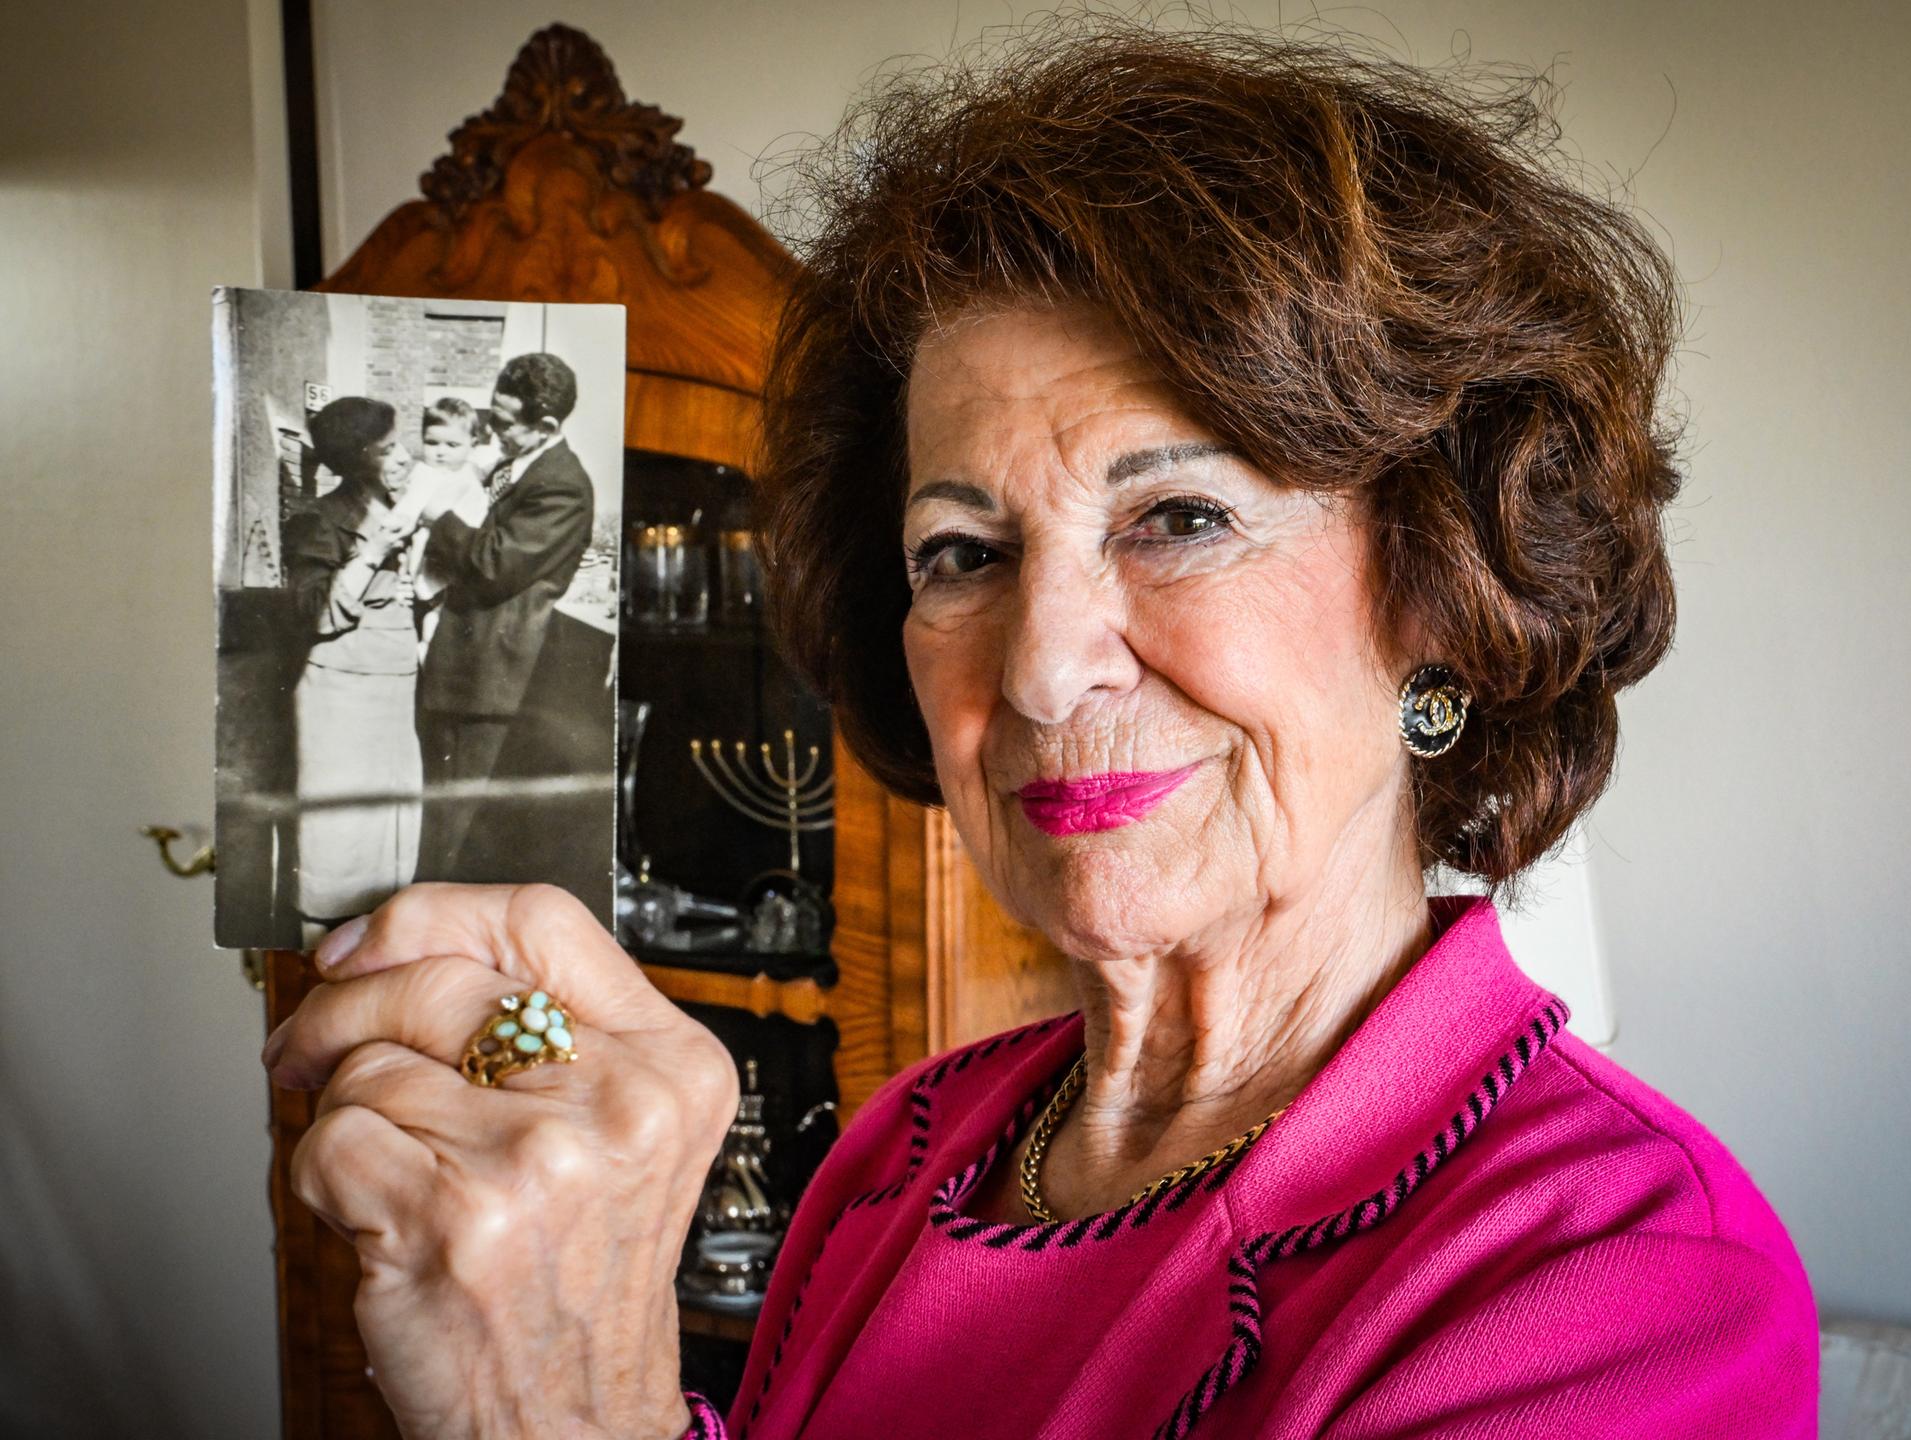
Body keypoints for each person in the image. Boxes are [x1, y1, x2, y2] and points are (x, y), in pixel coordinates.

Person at [261, 26, 1820, 1440]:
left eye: (1182, 517)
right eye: (963, 553)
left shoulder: (1626, 1286)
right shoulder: (915, 1149)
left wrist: (562, 1417)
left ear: (1444, 602)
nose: (1041, 671)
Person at [410, 352, 595, 881]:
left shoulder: (562, 484)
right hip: (465, 671)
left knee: (454, 830)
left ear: (547, 426)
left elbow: (494, 564)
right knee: (439, 816)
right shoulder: (521, 465)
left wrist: (436, 519)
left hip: (487, 681)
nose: (491, 429)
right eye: (491, 414)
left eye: (502, 422)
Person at [279, 396, 422, 944]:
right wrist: (370, 557)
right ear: (359, 459)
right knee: (335, 840)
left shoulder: (399, 511)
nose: (405, 456)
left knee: (388, 842)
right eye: (390, 449)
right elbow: (309, 611)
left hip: (391, 686)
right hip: (341, 694)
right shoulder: (316, 520)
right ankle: (313, 966)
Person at [391, 396, 490, 659]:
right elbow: (405, 513)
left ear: (473, 444)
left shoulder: (470, 478)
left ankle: (429, 652)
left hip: (455, 558)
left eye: (452, 445)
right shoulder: (423, 473)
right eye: (432, 443)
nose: (441, 452)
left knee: (441, 614)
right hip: (424, 555)